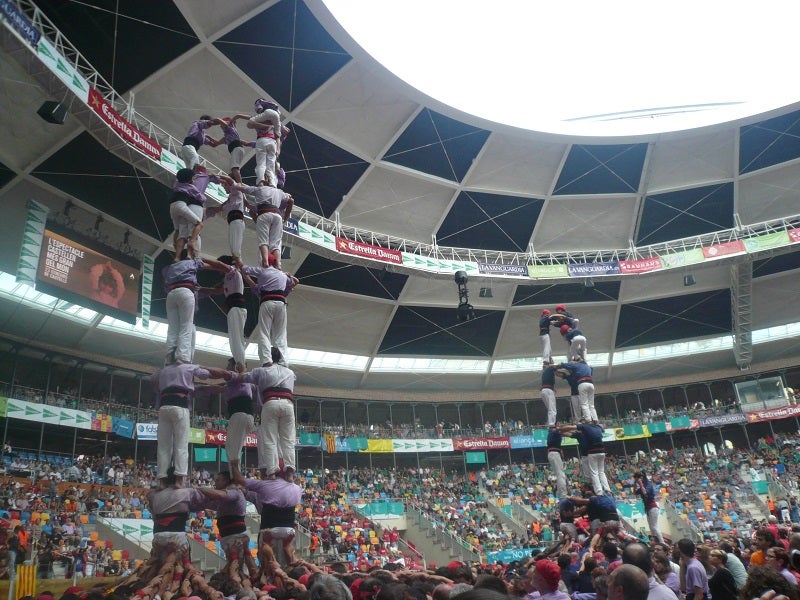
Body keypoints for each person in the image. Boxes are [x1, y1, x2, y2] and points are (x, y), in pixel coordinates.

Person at [151, 354, 231, 486]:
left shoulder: (163, 371)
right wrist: (203, 367)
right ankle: (179, 480)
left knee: (164, 446)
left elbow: (153, 378)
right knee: (181, 445)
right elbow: (208, 375)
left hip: (164, 407)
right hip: (180, 405)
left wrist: (168, 369)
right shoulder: (189, 367)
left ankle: (162, 480)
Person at [236, 347, 297, 481]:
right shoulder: (290, 372)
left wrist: (237, 371)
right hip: (288, 404)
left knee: (270, 440)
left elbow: (242, 378)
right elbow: (293, 378)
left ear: (267, 357)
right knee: (288, 440)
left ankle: (271, 472)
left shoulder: (262, 371)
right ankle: (290, 472)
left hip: (270, 404)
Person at [162, 252, 232, 363]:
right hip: (186, 292)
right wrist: (228, 270)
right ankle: (182, 357)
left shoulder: (168, 268)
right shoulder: (192, 262)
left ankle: (169, 356)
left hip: (171, 295)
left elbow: (165, 285)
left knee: (172, 328)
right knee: (186, 326)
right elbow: (215, 266)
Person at [230, 461, 302, 567]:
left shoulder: (264, 484)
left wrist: (234, 466)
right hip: (288, 531)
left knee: (267, 563)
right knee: (287, 564)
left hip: (268, 529)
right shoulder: (297, 488)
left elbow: (240, 480)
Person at [240, 256, 299, 366]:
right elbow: (295, 281)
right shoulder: (282, 275)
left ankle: (266, 360)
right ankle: (283, 361)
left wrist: (237, 260)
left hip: (267, 302)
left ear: (265, 262)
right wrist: (288, 275)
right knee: (281, 334)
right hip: (280, 304)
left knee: (264, 333)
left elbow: (244, 269)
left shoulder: (263, 271)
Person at [197, 470, 256, 576]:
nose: (215, 483)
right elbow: (210, 504)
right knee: (236, 564)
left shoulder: (233, 492)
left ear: (225, 481)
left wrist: (199, 488)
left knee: (236, 565)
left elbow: (221, 496)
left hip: (235, 535)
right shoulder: (225, 496)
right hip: (229, 535)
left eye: (218, 480)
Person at [147, 467, 206, 561]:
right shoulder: (188, 492)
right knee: (181, 566)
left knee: (158, 566)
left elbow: (153, 514)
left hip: (158, 536)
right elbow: (204, 504)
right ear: (180, 479)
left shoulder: (153, 495)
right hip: (177, 536)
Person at [234, 179, 293, 269]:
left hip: (264, 214)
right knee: (275, 244)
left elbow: (239, 188)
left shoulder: (259, 189)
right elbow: (291, 201)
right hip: (277, 216)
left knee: (263, 241)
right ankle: (278, 265)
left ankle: (265, 262)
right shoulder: (279, 192)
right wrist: (286, 220)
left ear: (263, 185)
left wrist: (237, 184)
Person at [560, 422, 611, 496]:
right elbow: (602, 426)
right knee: (599, 473)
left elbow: (567, 433)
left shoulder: (580, 434)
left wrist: (560, 430)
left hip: (589, 455)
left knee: (593, 475)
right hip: (594, 453)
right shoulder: (584, 433)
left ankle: (598, 491)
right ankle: (604, 490)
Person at [205, 180, 247, 266]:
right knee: (234, 249)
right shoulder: (231, 197)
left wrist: (217, 178)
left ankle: (240, 268)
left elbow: (232, 183)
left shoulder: (237, 193)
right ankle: (238, 266)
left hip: (237, 221)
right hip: (234, 222)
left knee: (236, 250)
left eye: (225, 187)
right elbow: (220, 207)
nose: (224, 189)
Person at [169, 168, 205, 259]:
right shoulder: (191, 187)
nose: (193, 180)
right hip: (181, 207)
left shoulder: (177, 184)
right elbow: (201, 197)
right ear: (189, 179)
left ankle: (177, 256)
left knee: (178, 231)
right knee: (199, 224)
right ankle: (192, 241)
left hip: (172, 207)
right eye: (192, 179)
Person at [247, 99, 282, 187]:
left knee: (261, 163)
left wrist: (265, 124)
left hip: (262, 139)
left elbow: (258, 111)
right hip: (273, 141)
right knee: (271, 164)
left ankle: (260, 181)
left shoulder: (259, 103)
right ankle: (272, 184)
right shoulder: (273, 109)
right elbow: (278, 137)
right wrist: (278, 150)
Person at [218, 115, 256, 183]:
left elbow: (232, 120)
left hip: (237, 149)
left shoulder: (231, 129)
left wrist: (216, 121)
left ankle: (240, 185)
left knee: (234, 168)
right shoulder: (226, 137)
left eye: (222, 125)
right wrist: (207, 137)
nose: (222, 127)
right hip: (236, 150)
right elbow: (215, 143)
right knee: (231, 172)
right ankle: (232, 184)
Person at [633, 471, 663, 544]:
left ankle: (662, 542)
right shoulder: (642, 486)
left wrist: (640, 483)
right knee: (651, 527)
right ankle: (655, 542)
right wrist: (635, 483)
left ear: (641, 478)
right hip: (648, 508)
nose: (637, 481)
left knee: (654, 526)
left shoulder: (648, 484)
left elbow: (645, 493)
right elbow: (635, 493)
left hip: (653, 507)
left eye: (637, 479)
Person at [547, 427, 568, 500]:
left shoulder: (552, 433)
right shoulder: (554, 432)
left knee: (559, 474)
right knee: (561, 474)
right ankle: (562, 494)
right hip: (554, 453)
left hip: (553, 453)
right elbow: (562, 430)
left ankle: (559, 493)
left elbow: (564, 433)